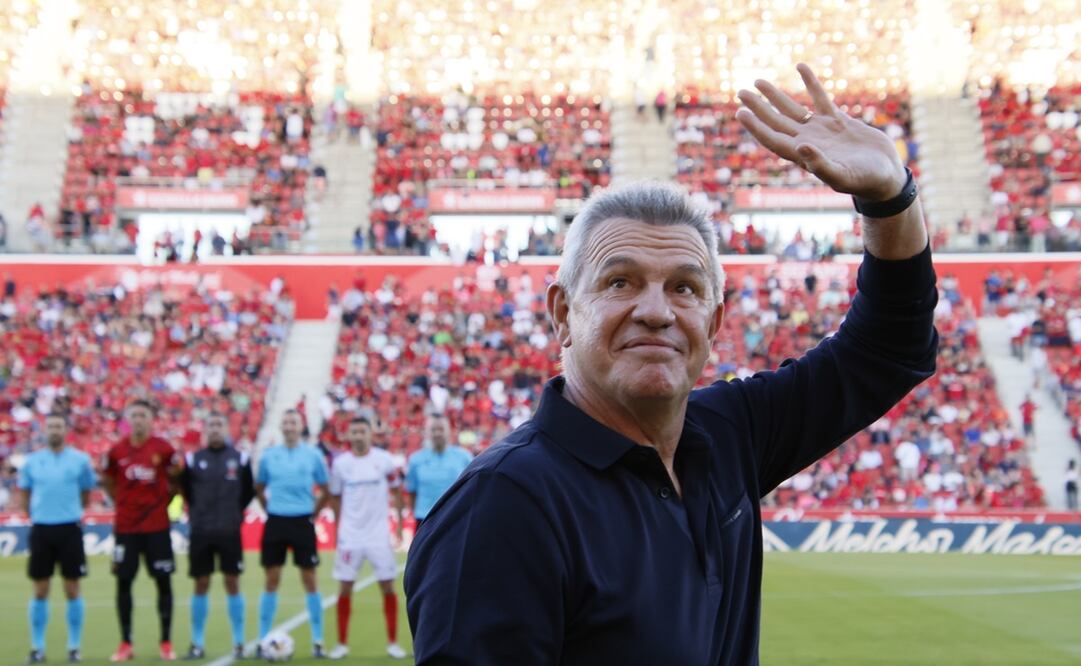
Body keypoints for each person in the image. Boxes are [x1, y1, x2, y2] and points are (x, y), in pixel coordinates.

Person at [405, 64, 937, 663]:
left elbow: (889, 349)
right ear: (562, 314)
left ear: (712, 324)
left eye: (684, 288)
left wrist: (889, 198)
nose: (655, 312)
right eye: (620, 281)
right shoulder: (503, 506)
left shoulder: (728, 436)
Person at [102, 400, 184, 662]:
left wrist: (164, 503)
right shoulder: (117, 451)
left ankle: (166, 642)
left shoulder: (163, 448)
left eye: (143, 415)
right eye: (134, 415)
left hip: (157, 527)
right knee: (124, 583)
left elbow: (177, 479)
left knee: (163, 583)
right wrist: (123, 504)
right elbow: (108, 482)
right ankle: (126, 642)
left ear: (151, 420)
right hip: (126, 528)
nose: (138, 420)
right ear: (128, 419)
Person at [18, 413, 96, 664]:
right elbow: (25, 495)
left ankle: (74, 646)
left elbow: (86, 493)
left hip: (69, 528)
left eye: (59, 425)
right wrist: (37, 515)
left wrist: (69, 511)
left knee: (72, 587)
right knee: (40, 588)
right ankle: (37, 646)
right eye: (51, 425)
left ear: (66, 429)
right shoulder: (32, 461)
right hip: (42, 528)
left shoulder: (80, 460)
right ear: (44, 429)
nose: (54, 429)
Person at [327, 417, 407, 660]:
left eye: (363, 431)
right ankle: (341, 643)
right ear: (349, 436)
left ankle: (393, 642)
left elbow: (397, 491)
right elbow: (335, 497)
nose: (359, 435)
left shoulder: (383, 461)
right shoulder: (341, 465)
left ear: (370, 434)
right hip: (350, 536)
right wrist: (339, 530)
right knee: (345, 587)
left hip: (378, 536)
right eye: (355, 432)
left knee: (387, 586)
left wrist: (400, 525)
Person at [255, 409, 331, 659]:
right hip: (276, 520)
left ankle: (318, 641)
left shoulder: (313, 455)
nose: (289, 426)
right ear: (280, 426)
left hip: (302, 521)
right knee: (271, 578)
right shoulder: (269, 455)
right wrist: (269, 510)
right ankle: (263, 639)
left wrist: (312, 514)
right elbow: (259, 486)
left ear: (301, 426)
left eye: (293, 422)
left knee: (309, 578)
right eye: (285, 422)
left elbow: (326, 487)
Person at [179, 413, 254, 660]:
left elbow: (247, 493)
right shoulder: (192, 460)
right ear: (205, 430)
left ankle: (239, 642)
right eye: (210, 425)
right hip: (201, 531)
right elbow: (187, 492)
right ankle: (197, 643)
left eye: (219, 425)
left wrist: (233, 515)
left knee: (232, 582)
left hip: (229, 530)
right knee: (201, 583)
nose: (214, 429)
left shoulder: (240, 459)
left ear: (226, 429)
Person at [404, 414, 472, 530]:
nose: (437, 433)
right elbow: (412, 492)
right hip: (424, 520)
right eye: (433, 430)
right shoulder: (416, 460)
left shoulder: (464, 458)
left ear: (449, 431)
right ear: (427, 432)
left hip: (455, 519)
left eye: (441, 429)